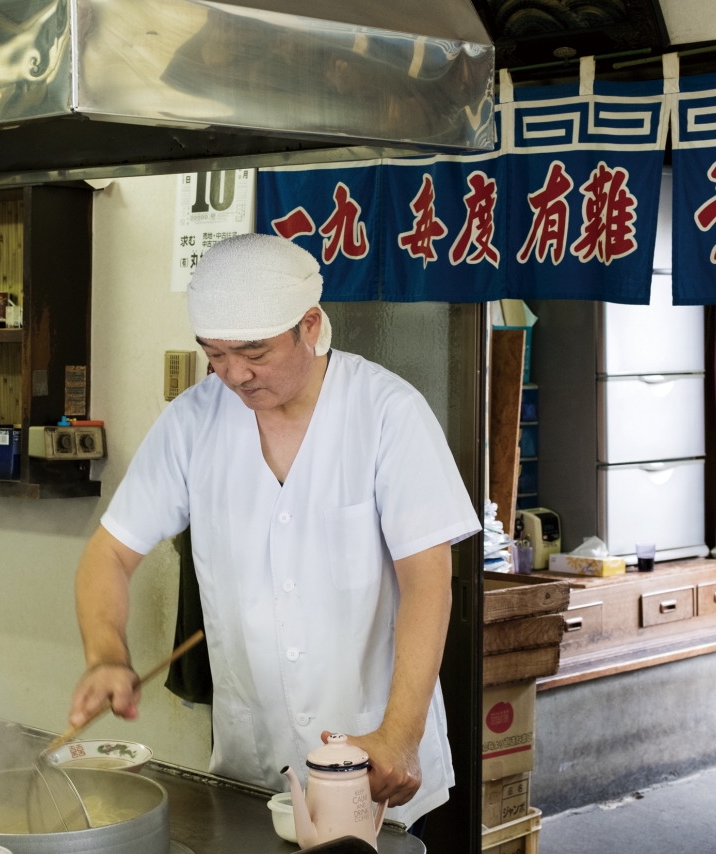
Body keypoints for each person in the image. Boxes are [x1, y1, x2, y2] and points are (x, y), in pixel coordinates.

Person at [69, 233, 479, 829]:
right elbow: (109, 554)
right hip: (251, 770)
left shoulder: (387, 412)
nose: (234, 374)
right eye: (214, 353)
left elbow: (427, 583)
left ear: (309, 326)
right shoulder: (193, 421)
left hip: (376, 764)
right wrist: (106, 654)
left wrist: (401, 733)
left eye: (254, 352)